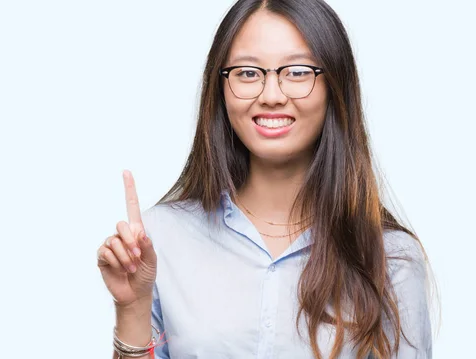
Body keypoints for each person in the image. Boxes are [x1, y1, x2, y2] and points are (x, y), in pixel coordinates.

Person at [97, 0, 434, 358]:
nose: (271, 96)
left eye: (298, 71)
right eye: (247, 72)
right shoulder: (159, 238)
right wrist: (132, 308)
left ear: (335, 85)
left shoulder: (392, 260)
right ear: (220, 86)